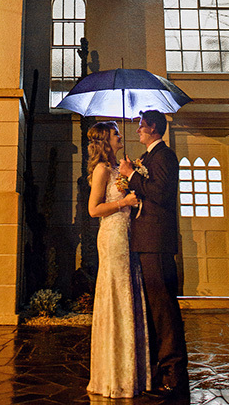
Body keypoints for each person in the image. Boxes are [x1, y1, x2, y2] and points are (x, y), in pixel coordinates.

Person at [119, 110, 188, 398]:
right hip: (144, 241)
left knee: (164, 308)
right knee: (153, 308)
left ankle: (174, 372)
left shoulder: (165, 156)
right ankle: (160, 367)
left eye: (142, 126)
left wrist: (132, 175)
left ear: (155, 128)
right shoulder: (147, 157)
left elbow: (160, 193)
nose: (138, 130)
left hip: (157, 241)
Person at [86, 120, 151, 399]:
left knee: (129, 294)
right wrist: (124, 202)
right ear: (105, 140)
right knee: (116, 294)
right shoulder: (102, 169)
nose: (120, 135)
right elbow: (93, 209)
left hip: (128, 235)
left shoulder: (118, 167)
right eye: (115, 133)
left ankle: (131, 371)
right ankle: (112, 375)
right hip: (112, 237)